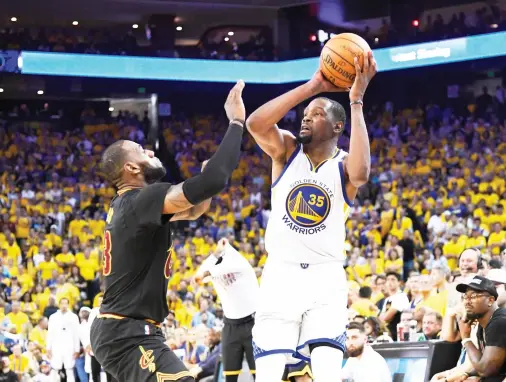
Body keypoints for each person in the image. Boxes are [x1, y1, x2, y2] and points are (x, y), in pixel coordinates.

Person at [90, 80, 247, 382]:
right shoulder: (139, 201)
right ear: (131, 170)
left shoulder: (133, 207)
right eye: (141, 151)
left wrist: (204, 183)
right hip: (126, 333)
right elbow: (216, 179)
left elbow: (194, 209)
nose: (149, 150)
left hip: (128, 330)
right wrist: (236, 122)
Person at [246, 52, 377, 382]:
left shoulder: (344, 165)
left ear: (336, 126)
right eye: (305, 114)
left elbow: (362, 173)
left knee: (328, 372)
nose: (305, 118)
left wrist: (356, 101)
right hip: (280, 274)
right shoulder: (287, 150)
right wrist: (312, 87)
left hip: (326, 278)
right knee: (268, 374)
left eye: (316, 114)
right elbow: (255, 124)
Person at [193, 239, 258, 381]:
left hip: (252, 323)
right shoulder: (217, 266)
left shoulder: (239, 264)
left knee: (259, 374)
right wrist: (215, 254)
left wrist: (210, 264)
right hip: (230, 326)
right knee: (229, 376)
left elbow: (201, 275)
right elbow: (200, 274)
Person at [455, 275, 506, 380]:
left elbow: (486, 370)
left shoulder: (500, 322)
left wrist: (466, 338)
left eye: (473, 296)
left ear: (490, 300)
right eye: (465, 296)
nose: (467, 301)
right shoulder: (482, 325)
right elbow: (482, 364)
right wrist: (466, 374)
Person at [46, 297, 80, 382]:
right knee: (54, 369)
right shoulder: (53, 317)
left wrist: (77, 349)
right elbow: (50, 333)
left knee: (69, 369)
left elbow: (76, 334)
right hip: (56, 346)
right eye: (62, 303)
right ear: (59, 304)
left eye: (66, 303)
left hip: (69, 346)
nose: (64, 305)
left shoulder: (74, 317)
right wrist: (48, 348)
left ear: (68, 305)